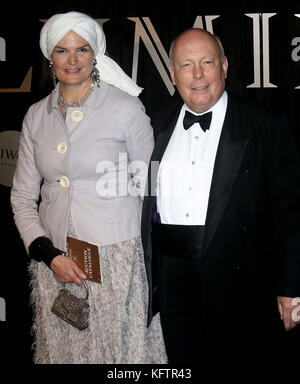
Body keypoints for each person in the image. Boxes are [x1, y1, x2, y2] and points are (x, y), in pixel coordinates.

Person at [11, 11, 167, 364]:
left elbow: (152, 189)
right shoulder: (36, 116)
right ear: (50, 56)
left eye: (82, 50)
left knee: (118, 357)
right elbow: (21, 196)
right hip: (55, 262)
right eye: (63, 51)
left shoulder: (125, 108)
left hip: (117, 261)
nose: (73, 60)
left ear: (95, 54)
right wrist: (48, 255)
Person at [141, 28, 300, 364]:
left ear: (224, 66)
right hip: (172, 281)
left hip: (241, 279)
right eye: (186, 65)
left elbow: (292, 213)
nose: (197, 74)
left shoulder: (265, 126)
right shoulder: (154, 125)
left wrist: (291, 285)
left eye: (207, 62)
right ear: (172, 74)